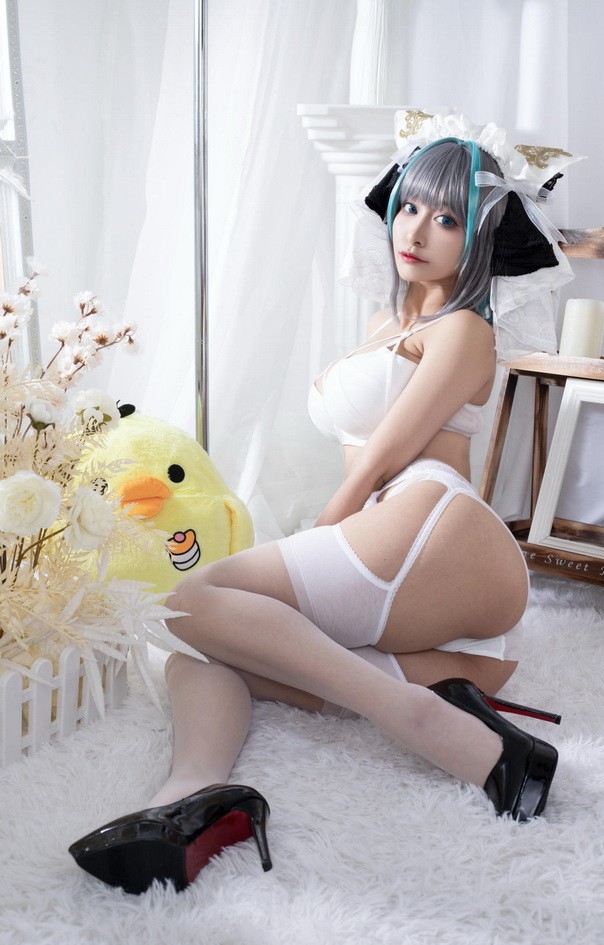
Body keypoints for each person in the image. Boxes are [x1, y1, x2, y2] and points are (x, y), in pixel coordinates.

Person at [69, 116, 573, 896]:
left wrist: (326, 526)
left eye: (448, 219)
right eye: (410, 207)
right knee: (205, 650)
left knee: (185, 602)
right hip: (424, 585)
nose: (418, 231)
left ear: (480, 237)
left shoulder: (467, 329)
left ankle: (419, 719)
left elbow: (383, 455)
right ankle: (190, 798)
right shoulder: (384, 324)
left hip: (433, 525)